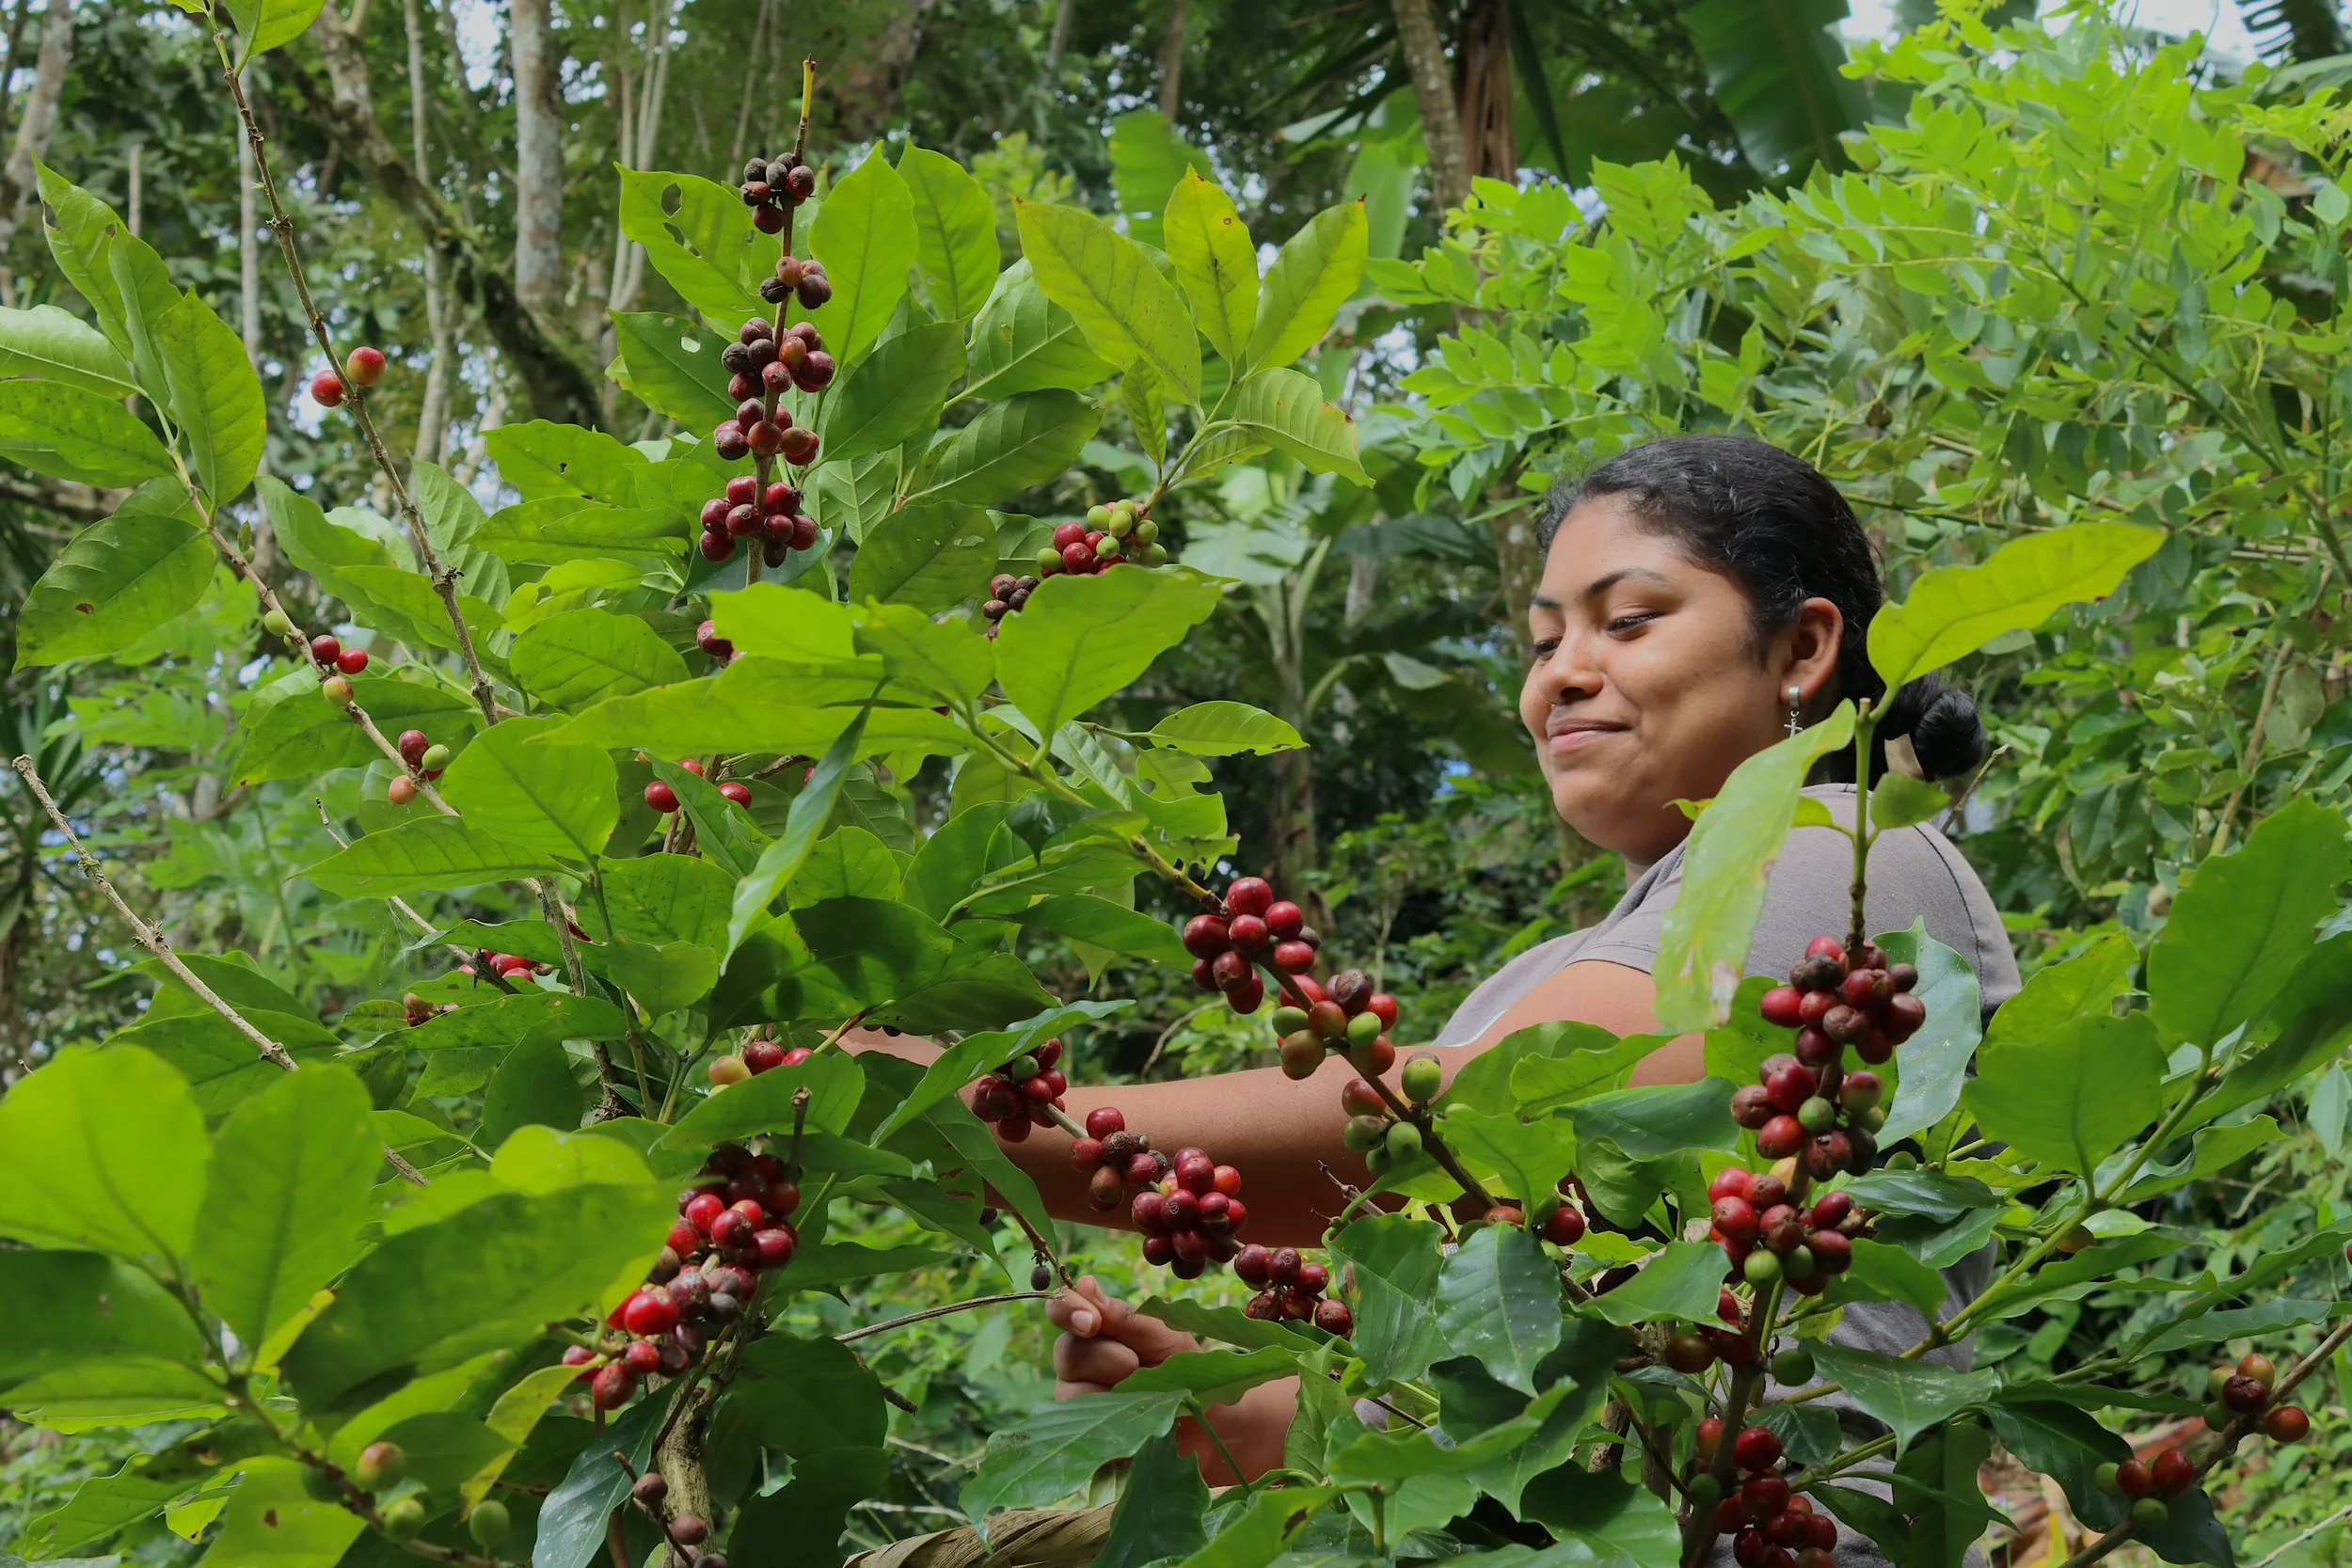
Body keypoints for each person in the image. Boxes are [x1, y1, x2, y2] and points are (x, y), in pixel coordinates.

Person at [880, 435, 2024, 1490]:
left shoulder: (1854, 852)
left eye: (1626, 620)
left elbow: (1513, 1109)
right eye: (1541, 641)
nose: (1560, 674)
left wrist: (992, 1127)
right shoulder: (1530, 977)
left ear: (1801, 647)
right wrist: (1244, 1411)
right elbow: (1494, 1358)